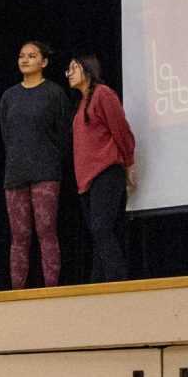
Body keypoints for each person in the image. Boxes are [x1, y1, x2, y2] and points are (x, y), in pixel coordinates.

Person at [0, 39, 74, 288]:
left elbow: (64, 133)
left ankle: (51, 288)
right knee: (19, 236)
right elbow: (6, 133)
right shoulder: (9, 96)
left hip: (46, 171)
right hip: (15, 173)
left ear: (44, 62)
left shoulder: (54, 93)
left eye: (31, 56)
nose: (25, 60)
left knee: (46, 231)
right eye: (22, 55)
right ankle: (17, 292)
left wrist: (52, 158)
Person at [67, 55, 138, 283]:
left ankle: (117, 280)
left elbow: (121, 130)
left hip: (106, 173)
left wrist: (128, 163)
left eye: (73, 68)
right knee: (99, 233)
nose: (69, 73)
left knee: (101, 228)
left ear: (87, 69)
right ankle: (99, 282)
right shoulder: (81, 104)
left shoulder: (103, 94)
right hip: (86, 181)